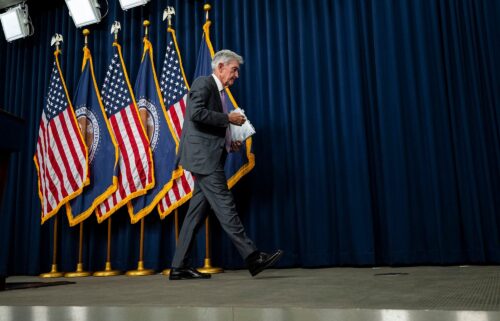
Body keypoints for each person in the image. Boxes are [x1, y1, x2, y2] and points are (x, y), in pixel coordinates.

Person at [169, 50, 283, 280]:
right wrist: (228, 118)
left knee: (195, 215)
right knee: (225, 206)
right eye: (234, 70)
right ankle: (252, 257)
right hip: (204, 159)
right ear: (220, 67)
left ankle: (179, 266)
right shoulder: (203, 83)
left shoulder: (219, 92)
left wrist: (230, 143)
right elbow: (196, 113)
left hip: (207, 156)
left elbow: (209, 126)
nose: (236, 75)